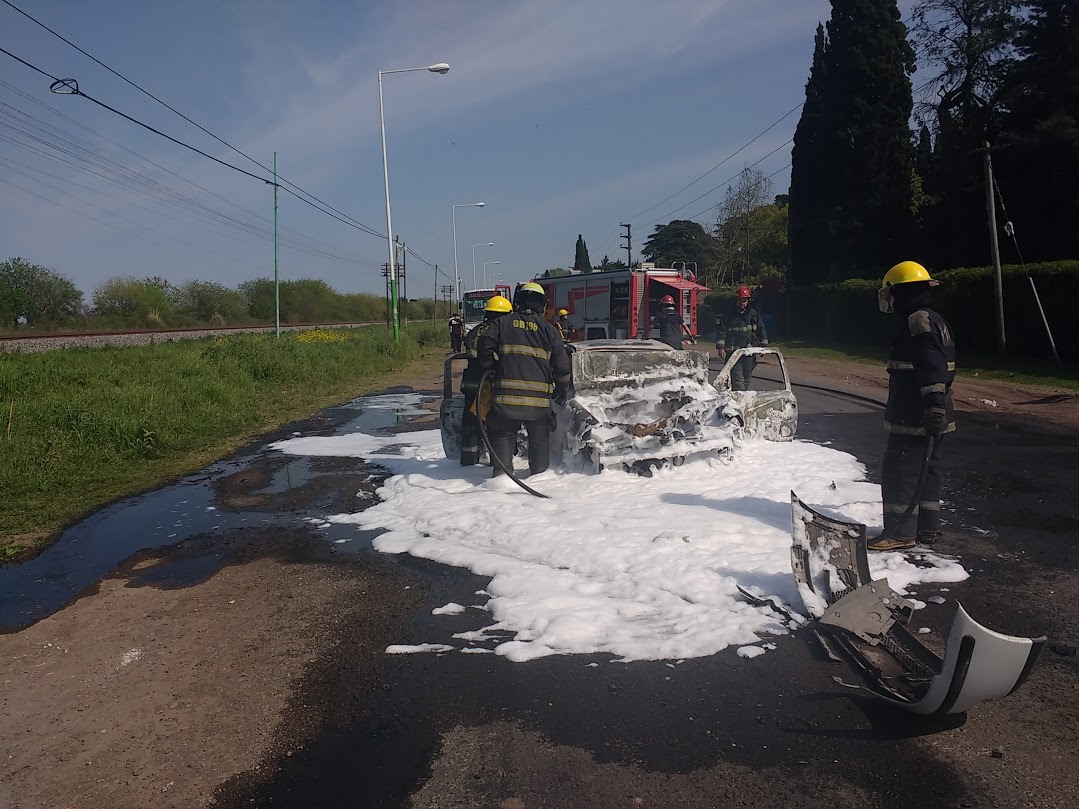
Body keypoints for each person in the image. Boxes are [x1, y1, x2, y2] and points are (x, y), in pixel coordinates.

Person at [869, 261, 956, 552]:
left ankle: (899, 532)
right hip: (933, 411)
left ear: (901, 292)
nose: (890, 301)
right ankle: (926, 529)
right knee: (927, 468)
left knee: (900, 469)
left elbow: (932, 367)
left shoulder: (916, 321)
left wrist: (932, 407)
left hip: (916, 413)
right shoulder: (933, 318)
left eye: (892, 294)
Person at [478, 282, 571, 478]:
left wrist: (492, 367)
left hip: (505, 401)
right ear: (542, 305)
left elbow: (484, 346)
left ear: (518, 301)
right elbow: (562, 367)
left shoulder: (501, 324)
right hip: (537, 404)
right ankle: (539, 478)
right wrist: (561, 390)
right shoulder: (550, 330)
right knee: (539, 438)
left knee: (503, 435)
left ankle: (501, 479)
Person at [460, 295, 513, 466]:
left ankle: (468, 461)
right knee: (495, 424)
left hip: (471, 385)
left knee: (470, 424)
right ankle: (497, 462)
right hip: (490, 385)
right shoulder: (500, 331)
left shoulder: (475, 331)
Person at [716, 284, 768, 391]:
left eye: (745, 301)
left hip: (749, 354)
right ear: (736, 300)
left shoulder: (754, 315)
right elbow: (721, 331)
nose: (742, 303)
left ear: (748, 301)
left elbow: (761, 330)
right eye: (740, 300)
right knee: (738, 382)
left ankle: (741, 402)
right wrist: (721, 348)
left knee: (746, 381)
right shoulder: (728, 315)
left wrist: (764, 346)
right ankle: (738, 403)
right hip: (734, 354)